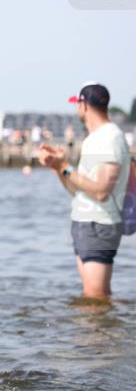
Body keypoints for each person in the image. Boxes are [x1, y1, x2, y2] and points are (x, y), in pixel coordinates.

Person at [37, 83, 130, 298]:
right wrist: (59, 167)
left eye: (77, 104)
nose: (76, 109)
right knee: (92, 297)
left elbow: (101, 191)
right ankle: (95, 331)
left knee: (96, 296)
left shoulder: (109, 137)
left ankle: (100, 332)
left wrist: (65, 168)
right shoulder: (94, 139)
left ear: (84, 105)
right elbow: (79, 190)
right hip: (87, 223)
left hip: (100, 224)